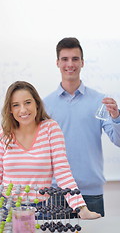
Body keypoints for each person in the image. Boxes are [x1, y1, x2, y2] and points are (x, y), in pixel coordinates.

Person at [0, 80, 101, 224]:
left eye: (27, 102)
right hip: (5, 211)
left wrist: (81, 209)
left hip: (41, 211)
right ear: (10, 109)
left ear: (36, 104)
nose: (23, 110)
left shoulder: (50, 128)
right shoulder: (4, 133)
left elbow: (63, 172)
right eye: (16, 105)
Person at [43, 37, 120, 217]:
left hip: (90, 194)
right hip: (56, 194)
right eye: (65, 59)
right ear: (57, 63)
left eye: (75, 59)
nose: (70, 64)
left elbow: (118, 141)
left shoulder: (99, 101)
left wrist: (116, 117)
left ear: (82, 62)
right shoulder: (45, 105)